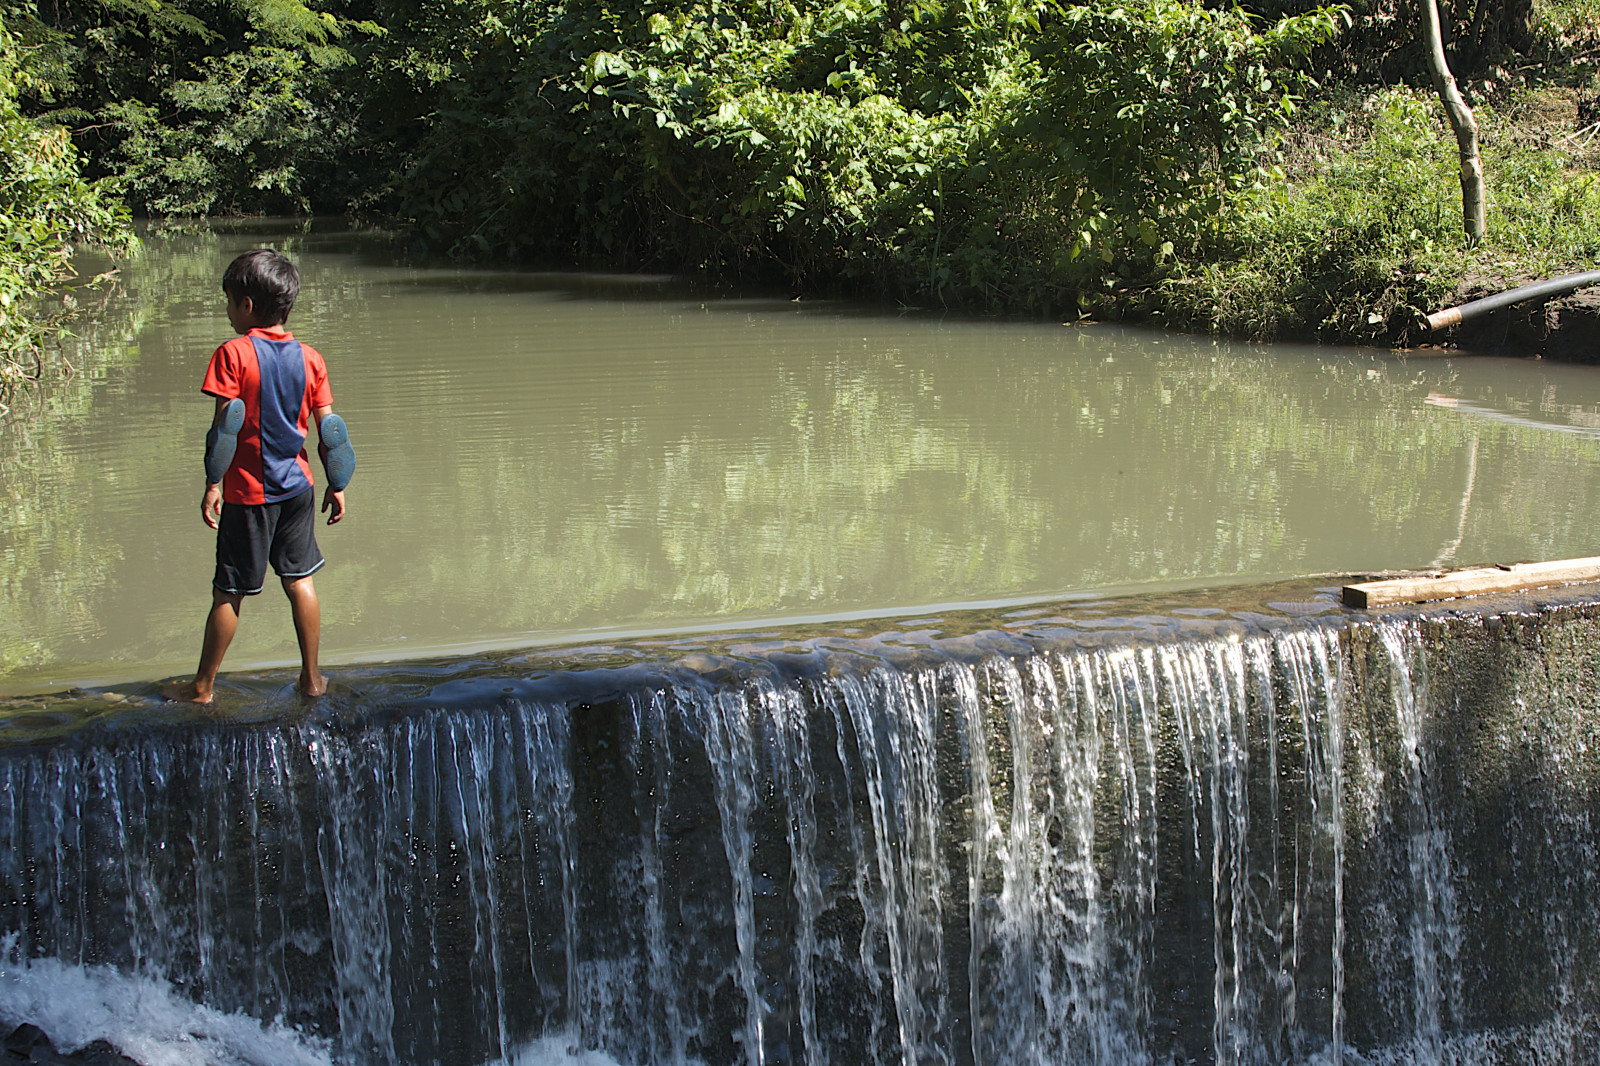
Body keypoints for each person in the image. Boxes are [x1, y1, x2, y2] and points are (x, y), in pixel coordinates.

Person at [164, 249, 353, 703]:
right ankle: (311, 681)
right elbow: (330, 429)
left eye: (229, 300)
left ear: (246, 305)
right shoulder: (311, 358)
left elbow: (224, 429)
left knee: (228, 591)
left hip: (249, 494)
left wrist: (213, 483)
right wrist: (338, 483)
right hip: (299, 488)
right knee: (300, 580)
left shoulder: (232, 354)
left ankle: (202, 686)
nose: (227, 309)